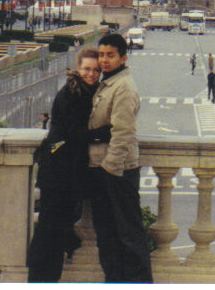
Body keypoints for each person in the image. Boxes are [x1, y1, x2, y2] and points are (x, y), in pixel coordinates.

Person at [27, 47, 110, 283]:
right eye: (86, 69)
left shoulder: (86, 91)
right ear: (78, 68)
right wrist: (106, 133)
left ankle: (45, 277)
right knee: (50, 228)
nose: (91, 74)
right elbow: (74, 134)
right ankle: (39, 279)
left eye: (95, 70)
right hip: (58, 172)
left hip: (65, 169)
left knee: (57, 227)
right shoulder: (72, 94)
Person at [87, 33, 153, 283]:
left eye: (110, 55)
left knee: (128, 234)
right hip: (104, 168)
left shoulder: (123, 86)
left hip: (117, 171)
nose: (104, 60)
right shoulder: (109, 82)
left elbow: (123, 133)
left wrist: (109, 169)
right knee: (107, 234)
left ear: (123, 58)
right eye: (101, 54)